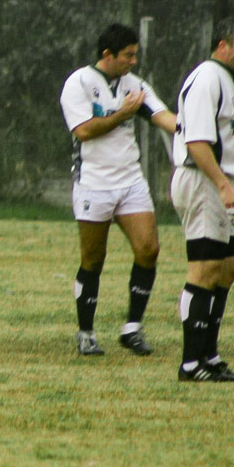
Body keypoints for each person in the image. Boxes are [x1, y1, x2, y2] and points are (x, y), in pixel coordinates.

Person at [59, 23, 177, 357]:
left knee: (149, 249)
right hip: (93, 183)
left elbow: (161, 115)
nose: (133, 61)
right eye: (128, 55)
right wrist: (123, 113)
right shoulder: (79, 83)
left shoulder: (134, 85)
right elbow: (83, 131)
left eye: (135, 55)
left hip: (130, 180)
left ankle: (132, 328)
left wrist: (190, 128)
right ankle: (86, 333)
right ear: (107, 54)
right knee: (93, 260)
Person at [169, 18, 234, 382]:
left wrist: (232, 182)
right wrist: (222, 185)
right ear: (223, 46)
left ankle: (209, 353)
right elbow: (197, 143)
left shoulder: (226, 80)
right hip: (202, 179)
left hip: (219, 181)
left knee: (226, 268)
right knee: (203, 271)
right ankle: (191, 363)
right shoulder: (208, 78)